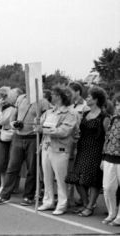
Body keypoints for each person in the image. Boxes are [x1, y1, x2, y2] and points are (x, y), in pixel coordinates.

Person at [0, 89, 50, 206]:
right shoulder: (21, 98)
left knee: (32, 169)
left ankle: (28, 196)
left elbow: (47, 119)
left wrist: (40, 124)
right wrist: (13, 123)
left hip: (33, 137)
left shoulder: (43, 102)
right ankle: (4, 195)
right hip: (18, 136)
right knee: (12, 167)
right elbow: (14, 114)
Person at [66, 86, 110, 217]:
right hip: (82, 148)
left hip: (96, 150)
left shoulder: (104, 117)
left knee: (93, 180)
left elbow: (107, 137)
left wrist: (104, 155)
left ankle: (90, 206)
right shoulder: (85, 114)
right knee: (77, 178)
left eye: (90, 97)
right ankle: (86, 203)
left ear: (96, 100)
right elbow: (80, 131)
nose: (87, 98)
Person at [36, 86, 78, 216]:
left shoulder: (70, 114)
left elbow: (64, 131)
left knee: (60, 179)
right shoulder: (49, 112)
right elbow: (39, 123)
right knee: (47, 177)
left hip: (60, 149)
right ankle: (48, 201)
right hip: (46, 147)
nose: (51, 97)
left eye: (53, 95)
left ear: (59, 96)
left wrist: (44, 130)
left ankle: (62, 203)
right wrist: (37, 123)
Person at [101, 93, 120, 225]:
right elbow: (107, 138)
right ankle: (112, 212)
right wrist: (103, 157)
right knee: (107, 187)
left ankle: (119, 217)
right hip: (109, 158)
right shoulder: (114, 119)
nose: (118, 107)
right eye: (117, 104)